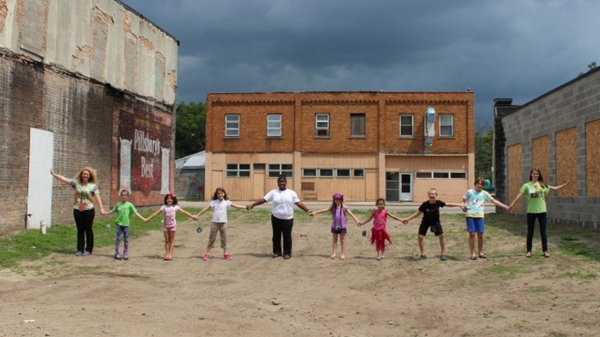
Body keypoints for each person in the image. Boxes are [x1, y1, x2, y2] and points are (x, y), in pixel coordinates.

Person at [246, 175, 312, 259]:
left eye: (283, 181)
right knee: (276, 235)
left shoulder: (291, 193)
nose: (281, 183)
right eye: (280, 182)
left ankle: (287, 253)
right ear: (277, 183)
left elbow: (298, 203)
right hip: (276, 217)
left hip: (288, 218)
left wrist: (307, 210)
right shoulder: (273, 192)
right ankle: (277, 252)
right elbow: (263, 199)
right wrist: (252, 204)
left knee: (287, 235)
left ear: (286, 182)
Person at [509, 168, 569, 258]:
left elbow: (555, 188)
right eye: (534, 174)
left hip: (542, 211)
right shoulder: (527, 186)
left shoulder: (542, 185)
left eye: (537, 174)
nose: (535, 175)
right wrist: (511, 205)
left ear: (539, 175)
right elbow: (519, 195)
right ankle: (529, 251)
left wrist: (565, 184)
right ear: (531, 175)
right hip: (531, 212)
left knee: (543, 232)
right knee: (530, 232)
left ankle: (545, 251)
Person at [50, 167, 106, 256]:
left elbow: (97, 197)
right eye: (84, 174)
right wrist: (54, 174)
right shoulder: (76, 183)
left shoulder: (93, 186)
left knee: (88, 229)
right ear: (81, 175)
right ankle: (80, 249)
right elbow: (64, 179)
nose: (85, 175)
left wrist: (101, 208)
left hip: (89, 210)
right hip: (77, 209)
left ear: (89, 176)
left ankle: (88, 249)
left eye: (87, 174)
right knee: (80, 229)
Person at [400, 188, 464, 261]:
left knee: (441, 235)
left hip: (435, 221)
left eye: (433, 194)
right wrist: (408, 219)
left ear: (436, 195)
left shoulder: (438, 203)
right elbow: (417, 213)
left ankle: (443, 254)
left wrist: (459, 205)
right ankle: (423, 254)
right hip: (425, 221)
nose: (431, 195)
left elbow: (448, 204)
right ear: (428, 195)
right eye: (430, 194)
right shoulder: (424, 204)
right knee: (420, 236)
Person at [462, 177, 511, 260]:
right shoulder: (469, 192)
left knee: (480, 235)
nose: (480, 185)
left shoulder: (485, 194)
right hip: (470, 215)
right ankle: (472, 253)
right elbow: (463, 201)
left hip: (480, 216)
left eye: (481, 184)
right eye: (478, 183)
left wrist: (505, 207)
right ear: (475, 184)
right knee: (472, 234)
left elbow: (494, 201)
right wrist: (463, 207)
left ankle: (480, 252)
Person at [145, 192, 198, 260]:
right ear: (165, 200)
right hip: (165, 226)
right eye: (167, 198)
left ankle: (170, 254)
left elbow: (184, 212)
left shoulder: (175, 207)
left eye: (170, 198)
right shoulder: (164, 207)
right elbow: (156, 213)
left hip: (172, 226)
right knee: (167, 240)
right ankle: (166, 254)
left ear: (173, 200)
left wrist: (192, 216)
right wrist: (148, 219)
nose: (169, 200)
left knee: (171, 240)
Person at [197, 187, 246, 261]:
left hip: (223, 223)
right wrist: (198, 215)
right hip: (214, 223)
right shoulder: (214, 202)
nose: (220, 195)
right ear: (216, 195)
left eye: (221, 193)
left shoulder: (226, 202)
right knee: (211, 239)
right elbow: (206, 208)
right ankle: (207, 254)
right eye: (218, 193)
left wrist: (245, 207)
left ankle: (225, 253)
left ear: (224, 193)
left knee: (224, 239)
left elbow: (236, 206)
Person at [312, 193, 360, 260]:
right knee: (335, 240)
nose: (337, 201)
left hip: (342, 226)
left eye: (339, 199)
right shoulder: (333, 208)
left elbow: (352, 214)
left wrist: (357, 221)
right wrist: (315, 212)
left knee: (342, 240)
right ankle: (334, 253)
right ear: (334, 200)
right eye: (336, 200)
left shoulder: (344, 208)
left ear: (341, 200)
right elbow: (325, 210)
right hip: (334, 226)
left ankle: (343, 254)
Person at [101, 190, 147, 260]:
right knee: (118, 239)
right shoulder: (118, 204)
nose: (123, 196)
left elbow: (136, 213)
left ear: (127, 197)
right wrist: (106, 213)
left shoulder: (129, 205)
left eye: (125, 195)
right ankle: (117, 253)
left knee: (126, 240)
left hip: (126, 225)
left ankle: (125, 253)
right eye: (122, 195)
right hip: (119, 224)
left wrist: (143, 218)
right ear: (120, 196)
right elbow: (112, 211)